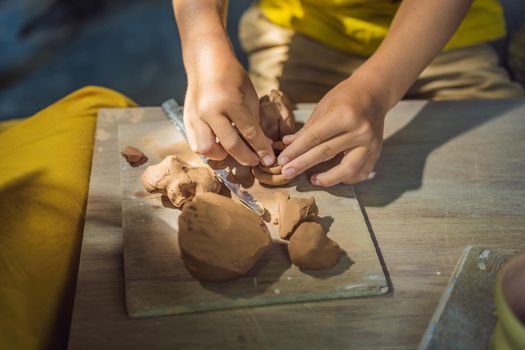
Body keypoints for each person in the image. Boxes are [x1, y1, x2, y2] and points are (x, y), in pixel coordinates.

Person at [171, 0, 524, 187]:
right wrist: (203, 46)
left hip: (441, 34)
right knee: (252, 128)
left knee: (503, 163)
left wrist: (376, 90)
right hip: (302, 28)